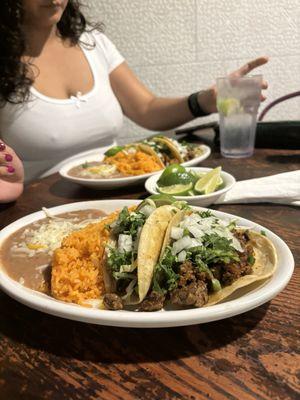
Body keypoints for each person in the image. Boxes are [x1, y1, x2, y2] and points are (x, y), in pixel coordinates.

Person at [0, 0, 268, 202]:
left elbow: (147, 109)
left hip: (124, 194)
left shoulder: (93, 42)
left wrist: (206, 101)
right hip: (39, 206)